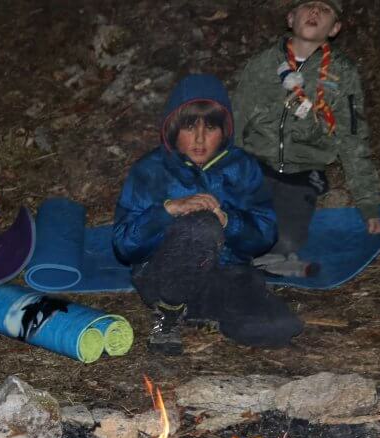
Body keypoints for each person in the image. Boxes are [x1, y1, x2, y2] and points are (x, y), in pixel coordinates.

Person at [112, 74, 304, 355]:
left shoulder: (243, 167)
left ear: (224, 131)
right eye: (190, 127)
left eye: (210, 127)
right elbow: (124, 245)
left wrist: (229, 222)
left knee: (280, 327)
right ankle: (169, 315)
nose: (200, 139)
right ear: (173, 128)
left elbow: (264, 234)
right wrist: (167, 210)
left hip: (225, 275)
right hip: (163, 275)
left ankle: (202, 311)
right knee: (202, 226)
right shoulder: (150, 170)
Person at [234, 0, 380, 277]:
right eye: (308, 6)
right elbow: (237, 118)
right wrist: (229, 171)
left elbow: (352, 138)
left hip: (304, 170)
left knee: (288, 239)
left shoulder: (343, 73)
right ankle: (257, 261)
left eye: (325, 10)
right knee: (241, 228)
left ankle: (268, 261)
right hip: (257, 164)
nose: (315, 12)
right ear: (291, 18)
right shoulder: (263, 63)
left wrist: (368, 204)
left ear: (335, 28)